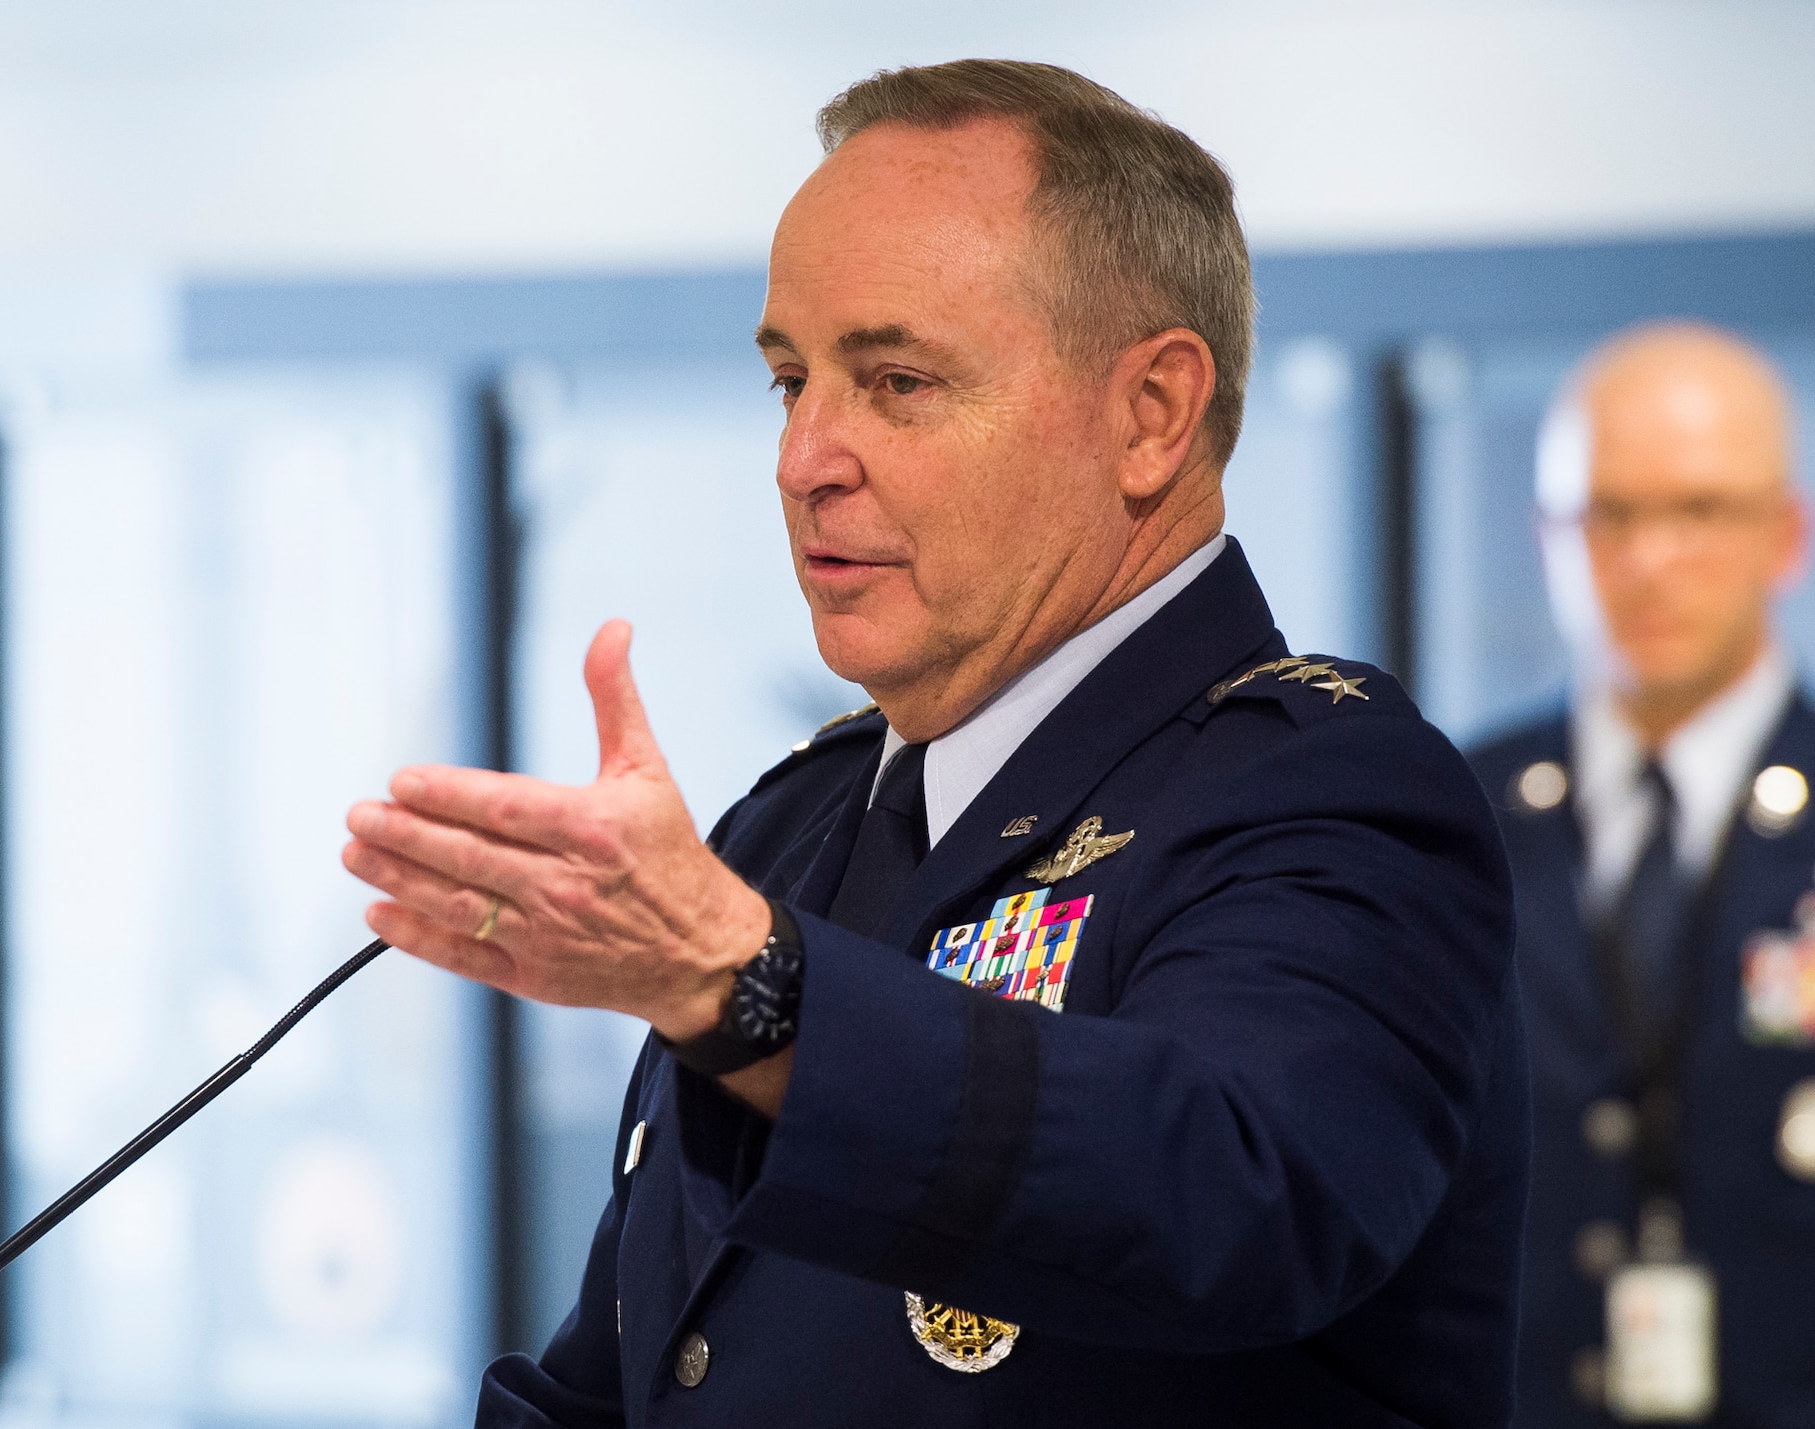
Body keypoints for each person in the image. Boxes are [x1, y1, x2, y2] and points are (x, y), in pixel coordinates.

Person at [344, 60, 1526, 1427]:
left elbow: (1234, 1188)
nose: (803, 458)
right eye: (791, 382)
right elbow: (646, 1371)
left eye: (898, 381)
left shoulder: (1329, 789)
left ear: (1150, 416)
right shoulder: (791, 826)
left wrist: (752, 989)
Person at [1469, 325, 1814, 1427]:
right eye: (1605, 515)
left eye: (1698, 510)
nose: (1647, 557)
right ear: (1547, 534)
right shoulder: (1445, 816)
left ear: (1784, 533)